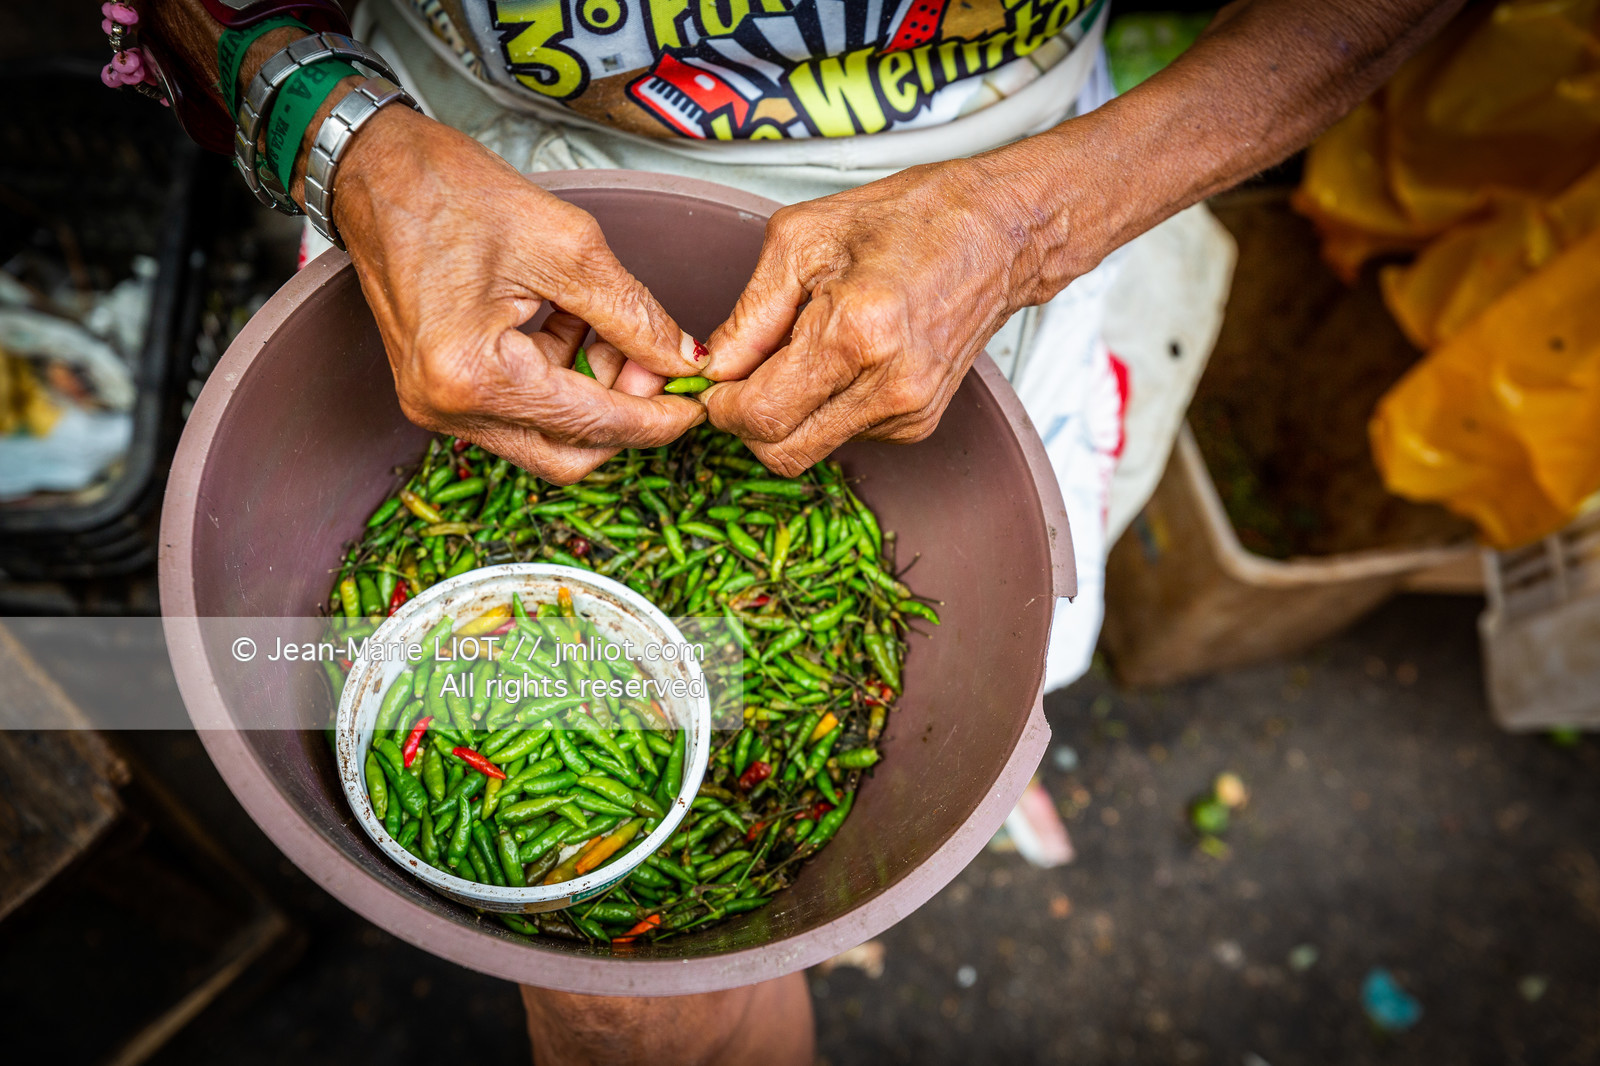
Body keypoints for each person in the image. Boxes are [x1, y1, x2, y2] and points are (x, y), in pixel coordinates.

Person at [124, 0, 1464, 1061]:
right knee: (635, 1008)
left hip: (983, 182)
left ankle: (979, 775)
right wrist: (342, 134)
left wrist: (1033, 224)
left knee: (998, 646)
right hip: (468, 163)